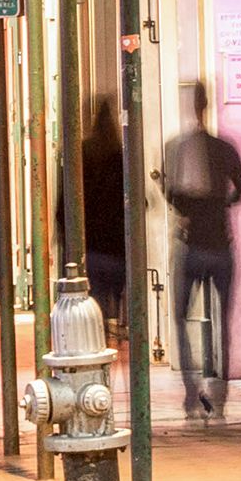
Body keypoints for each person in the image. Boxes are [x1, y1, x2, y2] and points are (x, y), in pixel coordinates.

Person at [161, 80, 241, 422]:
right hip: (219, 241)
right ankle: (218, 390)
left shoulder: (177, 148)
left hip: (193, 242)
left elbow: (171, 193)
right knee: (223, 319)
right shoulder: (223, 147)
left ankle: (191, 388)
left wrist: (190, 208)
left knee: (181, 316)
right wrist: (217, 203)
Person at [79, 96, 128, 331]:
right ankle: (118, 333)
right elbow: (135, 199)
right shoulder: (120, 156)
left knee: (96, 298)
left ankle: (100, 346)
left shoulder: (83, 154)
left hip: (93, 244)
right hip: (117, 246)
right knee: (117, 298)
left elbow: (65, 202)